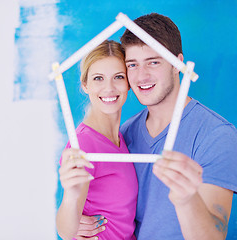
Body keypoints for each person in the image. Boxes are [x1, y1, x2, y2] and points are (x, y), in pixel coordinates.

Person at [75, 13, 237, 239]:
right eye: (133, 64)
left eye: (153, 62)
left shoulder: (217, 135)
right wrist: (81, 221)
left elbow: (215, 235)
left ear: (178, 63)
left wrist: (186, 200)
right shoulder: (124, 135)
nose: (142, 76)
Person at [56, 40, 138, 240]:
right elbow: (66, 231)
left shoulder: (121, 136)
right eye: (98, 78)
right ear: (85, 85)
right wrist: (71, 195)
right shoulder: (83, 145)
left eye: (118, 77)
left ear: (128, 82)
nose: (109, 88)